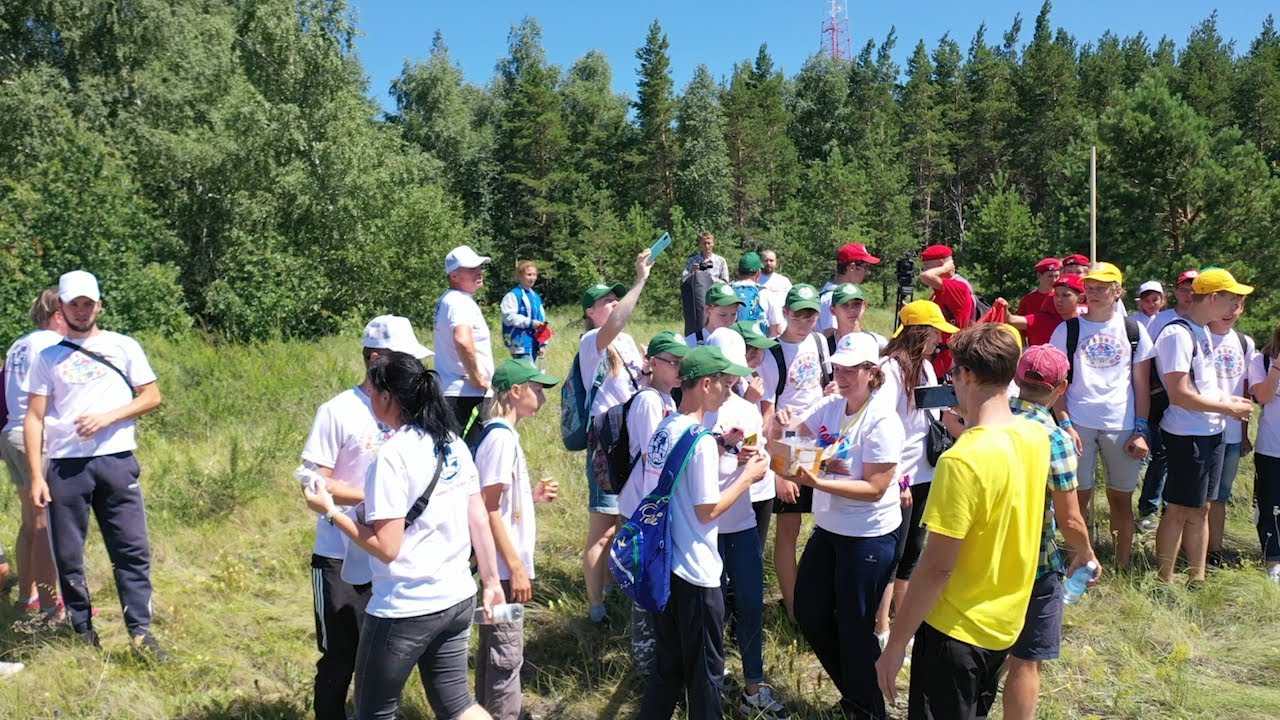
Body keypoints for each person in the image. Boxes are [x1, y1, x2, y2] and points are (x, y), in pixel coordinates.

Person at [301, 352, 503, 720]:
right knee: (458, 704)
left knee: (374, 712)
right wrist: (490, 582)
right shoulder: (452, 444)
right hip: (457, 595)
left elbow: (387, 548)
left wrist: (330, 511)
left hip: (405, 605)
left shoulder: (392, 457)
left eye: (373, 391)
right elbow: (478, 517)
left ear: (387, 398)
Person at [874, 324, 1049, 719]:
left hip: (955, 630)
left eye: (953, 373)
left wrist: (896, 644)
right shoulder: (1036, 437)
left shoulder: (961, 460)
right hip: (1005, 622)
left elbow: (937, 567)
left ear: (966, 375)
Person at [25, 271, 165, 655]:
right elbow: (34, 418)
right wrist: (37, 475)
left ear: (99, 305)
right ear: (61, 307)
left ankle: (141, 632)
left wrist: (109, 417)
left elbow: (151, 396)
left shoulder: (123, 346)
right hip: (66, 466)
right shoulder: (47, 357)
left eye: (88, 303)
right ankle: (83, 633)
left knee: (132, 549)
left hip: (116, 460)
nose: (82, 311)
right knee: (69, 556)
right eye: (75, 304)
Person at [300, 315, 432, 720]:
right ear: (375, 360)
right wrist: (378, 500)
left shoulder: (410, 410)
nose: (413, 369)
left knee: (382, 655)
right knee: (341, 654)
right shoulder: (337, 411)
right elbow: (314, 483)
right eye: (403, 359)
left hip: (390, 553)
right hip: (340, 554)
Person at [773, 343, 904, 720]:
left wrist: (818, 479)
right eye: (837, 369)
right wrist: (783, 427)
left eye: (850, 370)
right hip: (830, 528)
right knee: (809, 611)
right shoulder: (831, 406)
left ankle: (868, 709)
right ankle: (856, 693)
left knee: (855, 626)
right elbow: (787, 449)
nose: (841, 377)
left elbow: (876, 488)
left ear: (871, 372)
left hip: (868, 535)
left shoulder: (881, 420)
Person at [638, 345, 767, 720]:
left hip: (664, 568)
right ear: (706, 384)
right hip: (697, 572)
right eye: (724, 384)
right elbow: (707, 510)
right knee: (707, 675)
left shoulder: (666, 428)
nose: (729, 392)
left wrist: (721, 446)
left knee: (669, 670)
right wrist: (747, 477)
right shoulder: (700, 442)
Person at [1002, 345, 1100, 720]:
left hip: (981, 557)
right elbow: (1070, 519)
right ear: (1061, 387)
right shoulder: (1055, 439)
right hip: (1034, 563)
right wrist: (1085, 554)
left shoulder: (988, 421)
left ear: (1016, 378)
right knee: (1026, 659)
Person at [1048, 263, 1153, 570]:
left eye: (1102, 288)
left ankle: (1122, 566)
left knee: (1121, 499)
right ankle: (1078, 565)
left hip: (1122, 424)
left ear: (1117, 291)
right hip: (1078, 423)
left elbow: (1142, 385)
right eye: (1090, 287)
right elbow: (1057, 384)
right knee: (1076, 499)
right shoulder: (1067, 330)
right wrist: (1065, 423)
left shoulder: (1134, 331)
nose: (1093, 293)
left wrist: (1141, 429)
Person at [1152, 268, 1254, 583]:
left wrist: (1227, 401)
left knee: (1203, 508)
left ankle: (1198, 579)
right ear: (1212, 298)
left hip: (1212, 432)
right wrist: (1228, 408)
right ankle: (1164, 581)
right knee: (1178, 510)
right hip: (1187, 436)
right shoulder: (1177, 335)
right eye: (1231, 298)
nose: (1235, 305)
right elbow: (1179, 394)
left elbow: (1204, 386)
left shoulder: (1202, 331)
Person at [475, 359, 561, 720]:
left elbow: (499, 503)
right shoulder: (500, 439)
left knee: (496, 653)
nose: (542, 397)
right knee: (505, 658)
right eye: (537, 389)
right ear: (515, 391)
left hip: (503, 569)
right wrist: (516, 567)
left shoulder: (504, 436)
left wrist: (531, 497)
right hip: (504, 572)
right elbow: (487, 508)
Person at [873, 301, 957, 649]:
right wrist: (898, 480)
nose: (939, 340)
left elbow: (928, 417)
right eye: (935, 333)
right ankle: (881, 628)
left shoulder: (926, 367)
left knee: (912, 552)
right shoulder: (889, 371)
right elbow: (881, 428)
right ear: (919, 332)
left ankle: (903, 621)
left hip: (925, 472)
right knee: (892, 556)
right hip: (901, 476)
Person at [580, 251, 652, 623]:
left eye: (614, 298)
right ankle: (596, 607)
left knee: (627, 518)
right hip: (607, 441)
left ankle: (614, 584)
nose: (612, 304)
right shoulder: (592, 340)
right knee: (603, 526)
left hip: (632, 437)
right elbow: (617, 321)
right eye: (605, 301)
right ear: (590, 312)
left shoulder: (627, 340)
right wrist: (640, 280)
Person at [757, 284, 831, 620]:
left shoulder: (819, 342)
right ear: (785, 313)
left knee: (825, 521)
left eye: (810, 316)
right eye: (797, 316)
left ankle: (816, 598)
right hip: (789, 444)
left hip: (820, 441)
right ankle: (794, 608)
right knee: (789, 527)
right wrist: (779, 471)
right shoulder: (772, 354)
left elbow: (823, 387)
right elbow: (767, 416)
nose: (803, 323)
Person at [617, 332, 687, 676]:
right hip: (641, 506)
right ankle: (646, 663)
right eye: (672, 362)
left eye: (682, 363)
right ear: (653, 363)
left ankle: (660, 652)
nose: (679, 369)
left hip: (651, 506)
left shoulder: (667, 398)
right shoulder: (648, 400)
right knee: (644, 581)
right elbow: (652, 456)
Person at [2, 288, 66, 621]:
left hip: (11, 434)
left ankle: (26, 598)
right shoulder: (52, 345)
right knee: (44, 526)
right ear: (57, 313)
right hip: (34, 438)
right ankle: (50, 607)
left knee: (29, 522)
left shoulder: (20, 344)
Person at [1138, 269, 1200, 532]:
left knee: (1187, 456)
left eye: (1194, 289)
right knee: (1161, 455)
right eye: (1184, 289)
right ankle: (1149, 508)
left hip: (1197, 400)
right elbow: (1146, 359)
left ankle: (1176, 508)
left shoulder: (1206, 319)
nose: (1189, 295)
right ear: (1175, 292)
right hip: (1162, 396)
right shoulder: (1160, 320)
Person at [1206, 299, 1254, 565]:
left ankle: (1214, 552)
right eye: (1226, 305)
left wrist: (1244, 433)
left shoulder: (1245, 343)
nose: (1229, 312)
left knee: (1221, 496)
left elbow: (1245, 390)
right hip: (1201, 429)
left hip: (1233, 433)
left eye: (1236, 306)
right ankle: (1190, 551)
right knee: (1197, 497)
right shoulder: (1197, 335)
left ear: (1242, 310)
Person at [435, 245, 495, 439]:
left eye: (479, 267)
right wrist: (478, 378)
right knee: (472, 449)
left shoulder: (450, 300)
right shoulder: (459, 301)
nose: (479, 271)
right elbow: (462, 339)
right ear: (454, 276)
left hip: (458, 391)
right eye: (471, 268)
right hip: (467, 394)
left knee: (454, 448)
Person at [1247, 321, 1280, 583]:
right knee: (1270, 507)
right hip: (1272, 448)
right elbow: (1263, 397)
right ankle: (1273, 561)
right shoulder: (1262, 361)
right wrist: (1277, 366)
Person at [917, 244, 977, 379]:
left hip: (949, 361)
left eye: (927, 266)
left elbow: (925, 276)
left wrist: (945, 268)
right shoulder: (939, 291)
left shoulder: (958, 287)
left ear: (941, 264)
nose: (925, 269)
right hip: (938, 358)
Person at [1003, 274, 1085, 346]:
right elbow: (1011, 320)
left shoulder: (1087, 319)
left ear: (1080, 298)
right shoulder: (1043, 320)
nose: (1059, 299)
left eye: (1065, 295)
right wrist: (1003, 307)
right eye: (1056, 294)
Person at [820, 244, 879, 338]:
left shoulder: (835, 293)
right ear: (852, 267)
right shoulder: (832, 297)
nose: (867, 272)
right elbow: (831, 336)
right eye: (865, 267)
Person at [500, 261, 548, 361]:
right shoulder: (513, 295)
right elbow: (509, 317)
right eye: (529, 275)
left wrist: (543, 343)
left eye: (534, 275)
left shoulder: (535, 297)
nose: (532, 278)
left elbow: (542, 319)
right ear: (520, 276)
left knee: (532, 370)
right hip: (520, 343)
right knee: (526, 370)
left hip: (534, 343)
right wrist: (530, 323)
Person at [731, 253, 784, 337]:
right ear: (758, 273)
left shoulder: (727, 291)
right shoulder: (765, 294)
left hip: (731, 342)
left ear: (738, 271)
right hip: (756, 343)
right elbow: (777, 330)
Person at [829, 283, 887, 358]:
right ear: (833, 310)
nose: (852, 309)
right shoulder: (825, 347)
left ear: (864, 306)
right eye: (845, 305)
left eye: (857, 304)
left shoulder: (878, 343)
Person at [686, 283, 745, 347]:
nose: (729, 320)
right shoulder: (691, 343)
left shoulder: (737, 342)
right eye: (723, 315)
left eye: (733, 314)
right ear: (708, 310)